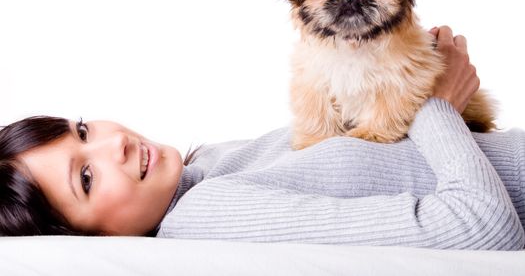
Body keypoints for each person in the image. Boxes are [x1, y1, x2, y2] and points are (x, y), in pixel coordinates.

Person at [1, 26, 524, 250]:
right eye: (86, 178)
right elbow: (481, 230)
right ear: (84, 241)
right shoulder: (203, 214)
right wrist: (436, 102)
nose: (111, 143)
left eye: (84, 130)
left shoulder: (209, 166)